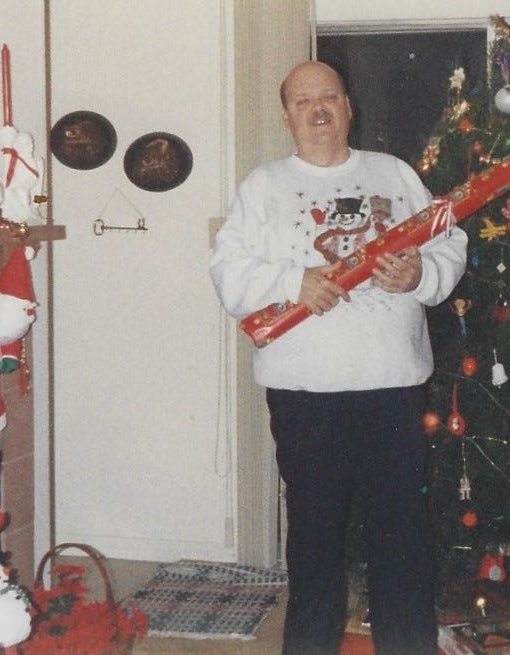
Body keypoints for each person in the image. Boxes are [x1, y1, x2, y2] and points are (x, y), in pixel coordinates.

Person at [210, 60, 467, 655]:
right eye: (304, 101)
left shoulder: (395, 174)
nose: (318, 110)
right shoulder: (263, 186)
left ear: (350, 107)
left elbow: (450, 238)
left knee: (401, 539)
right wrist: (293, 281)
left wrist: (420, 273)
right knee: (315, 543)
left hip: (392, 389)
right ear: (286, 115)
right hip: (306, 397)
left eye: (329, 98)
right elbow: (227, 272)